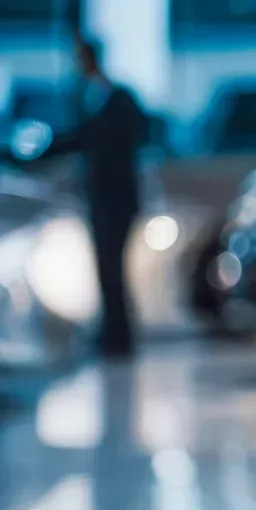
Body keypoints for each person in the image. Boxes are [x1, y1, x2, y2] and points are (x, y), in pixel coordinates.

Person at [41, 36, 147, 357]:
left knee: (113, 269)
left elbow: (92, 137)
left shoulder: (117, 99)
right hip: (101, 198)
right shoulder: (91, 98)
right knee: (106, 269)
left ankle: (119, 338)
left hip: (116, 199)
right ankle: (113, 334)